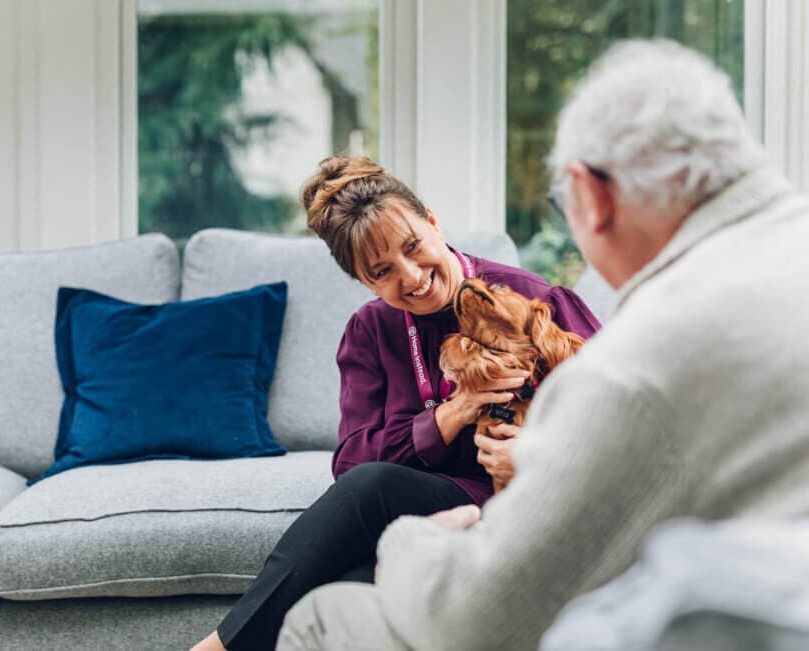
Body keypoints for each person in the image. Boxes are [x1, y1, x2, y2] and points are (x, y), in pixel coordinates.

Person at [276, 38, 809, 651]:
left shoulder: (641, 358)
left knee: (322, 616)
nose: (411, 276)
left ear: (591, 197)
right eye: (380, 271)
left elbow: (485, 615)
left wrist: (409, 543)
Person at [191, 157, 600, 651]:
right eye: (383, 271)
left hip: (529, 501)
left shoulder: (532, 299)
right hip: (440, 504)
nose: (411, 278)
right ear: (364, 282)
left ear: (432, 221)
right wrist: (452, 413)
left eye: (413, 247)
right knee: (347, 580)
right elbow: (352, 463)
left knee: (366, 529)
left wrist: (537, 456)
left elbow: (617, 421)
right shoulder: (371, 331)